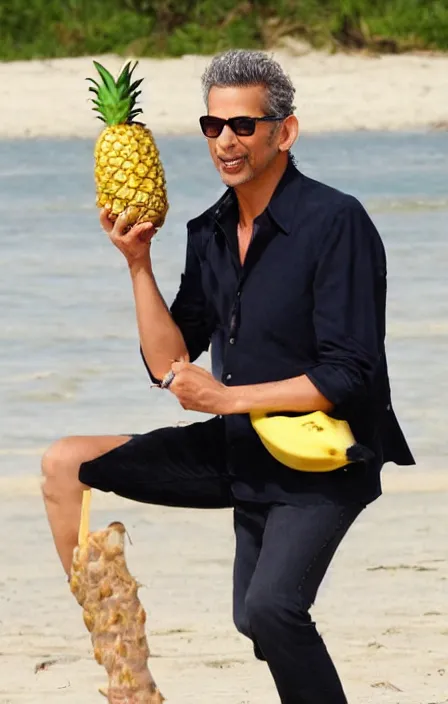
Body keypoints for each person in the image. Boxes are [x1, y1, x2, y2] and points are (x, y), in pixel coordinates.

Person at [41, 49, 414, 703]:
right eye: (214, 126)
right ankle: (126, 677)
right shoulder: (210, 232)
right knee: (66, 463)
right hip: (242, 448)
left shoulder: (336, 223)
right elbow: (169, 363)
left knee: (272, 610)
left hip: (325, 455)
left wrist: (224, 396)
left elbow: (349, 373)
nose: (226, 141)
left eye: (243, 125)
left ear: (284, 131)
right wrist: (137, 262)